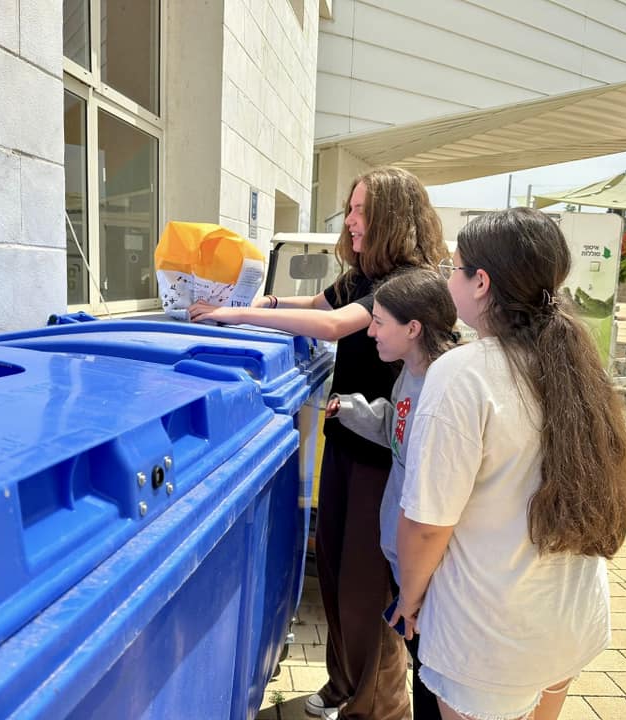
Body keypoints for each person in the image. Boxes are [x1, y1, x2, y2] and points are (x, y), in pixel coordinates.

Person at [189, 167, 448, 720]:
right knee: (331, 570)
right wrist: (270, 301)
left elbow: (335, 328)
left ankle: (376, 707)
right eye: (350, 209)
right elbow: (321, 306)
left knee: (364, 588)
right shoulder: (361, 274)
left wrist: (231, 315)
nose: (350, 221)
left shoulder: (403, 281)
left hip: (383, 455)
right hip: (347, 437)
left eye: (360, 211)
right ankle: (341, 686)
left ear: (391, 219)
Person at [390, 208, 626, 720]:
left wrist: (409, 600)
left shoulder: (462, 373)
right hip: (567, 618)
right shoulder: (575, 360)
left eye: (454, 268)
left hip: (491, 635)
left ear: (480, 282)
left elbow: (425, 524)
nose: (448, 278)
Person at [325, 267, 456, 720]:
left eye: (379, 321)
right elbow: (395, 430)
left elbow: (434, 505)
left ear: (413, 328)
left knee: (434, 682)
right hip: (412, 571)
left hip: (431, 578)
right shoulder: (409, 377)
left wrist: (413, 595)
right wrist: (349, 409)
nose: (371, 331)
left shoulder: (441, 389)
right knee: (425, 674)